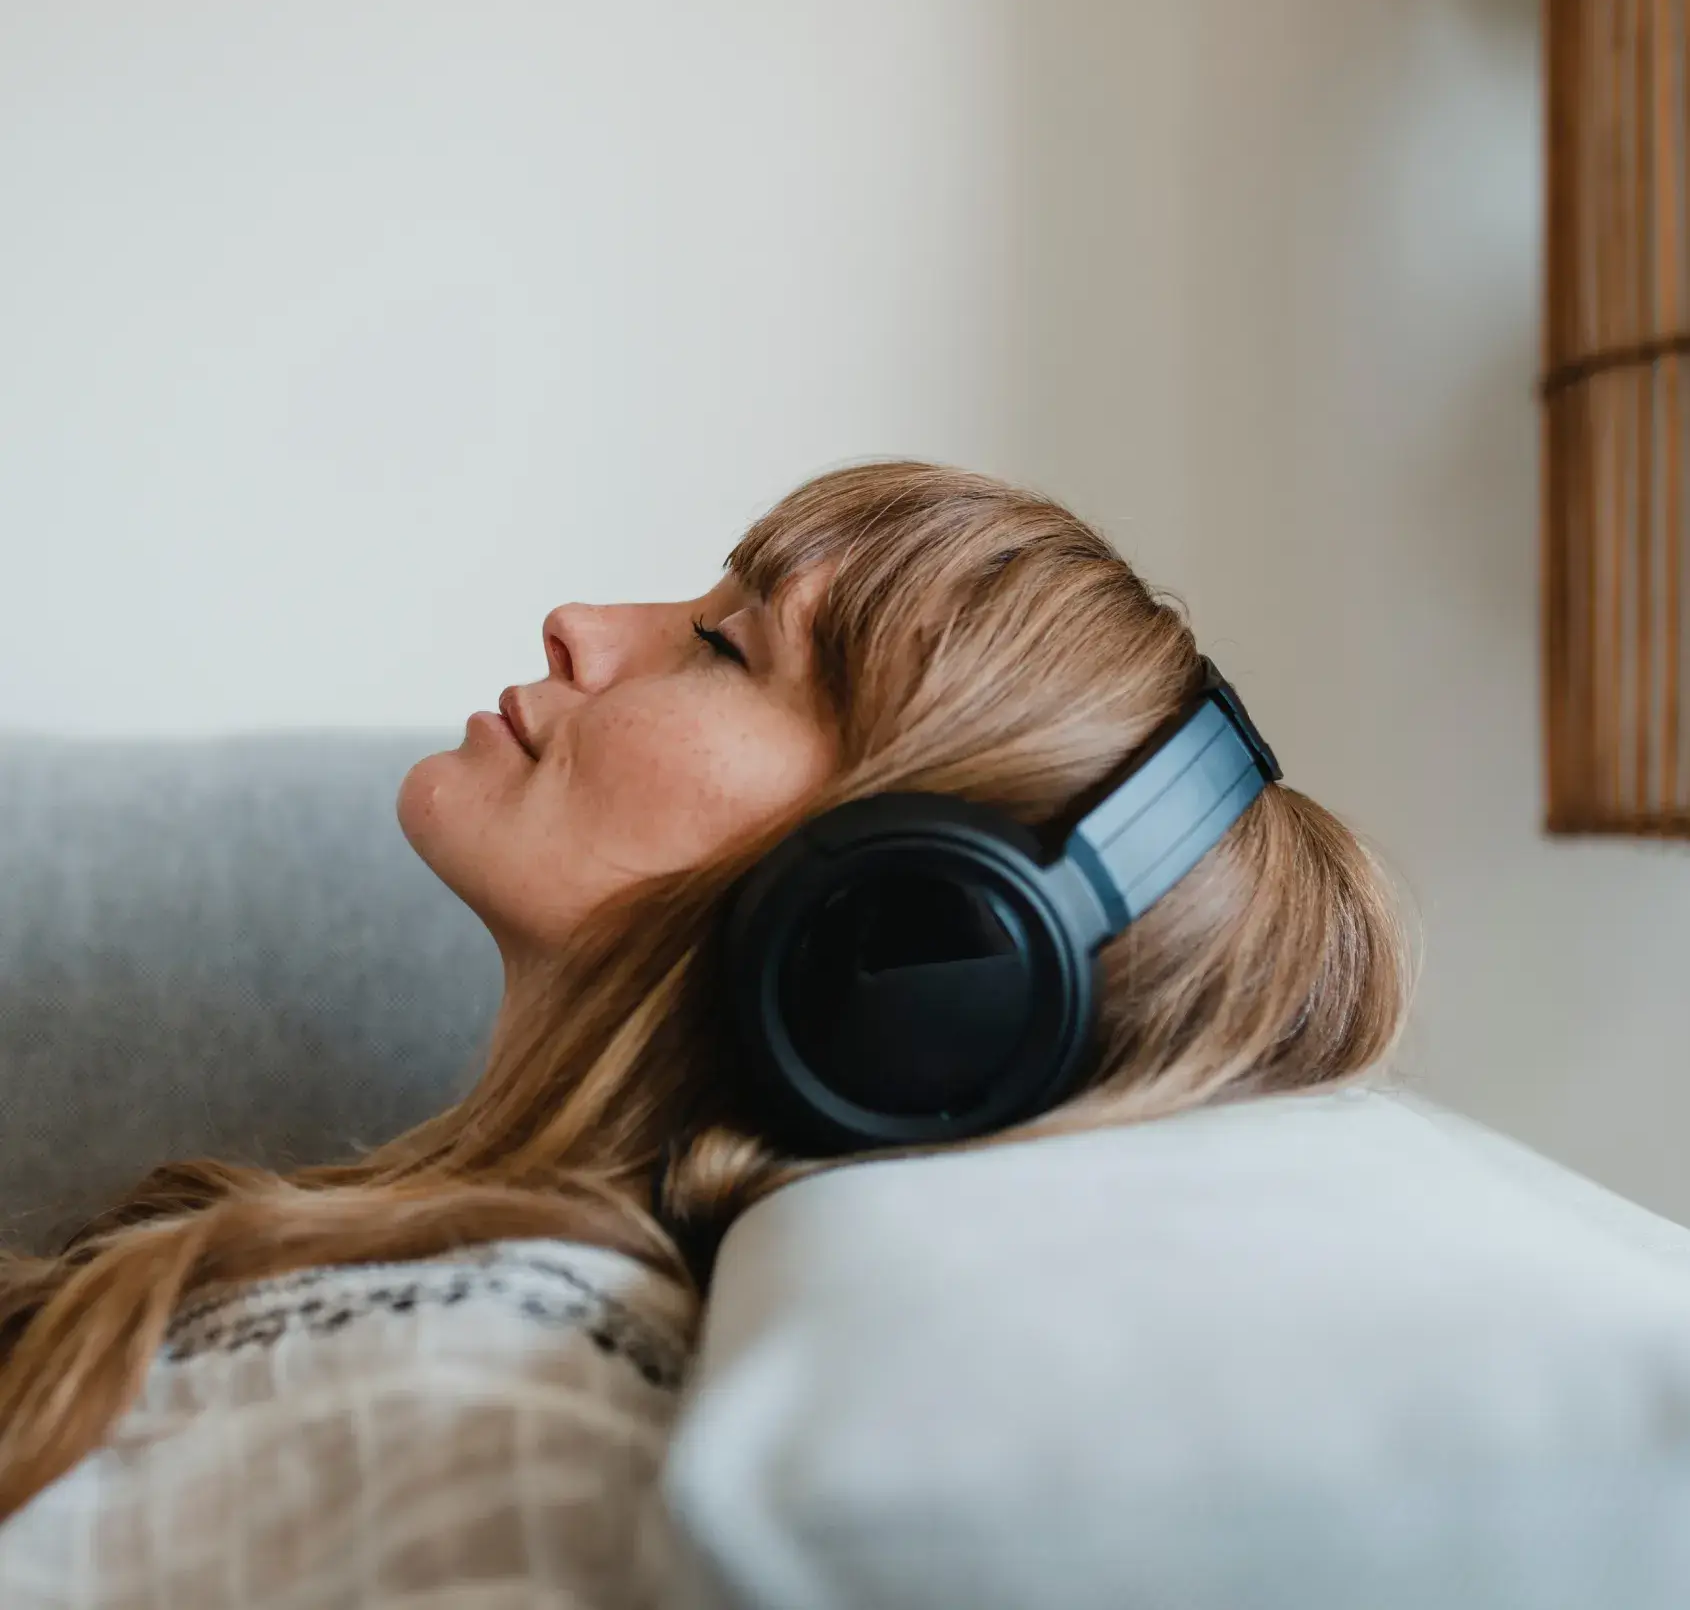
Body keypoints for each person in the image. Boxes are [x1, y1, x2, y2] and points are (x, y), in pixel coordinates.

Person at [0, 460, 1411, 1605]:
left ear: (903, 928)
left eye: (726, 644)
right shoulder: (420, 1291)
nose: (581, 622)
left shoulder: (518, 1429)